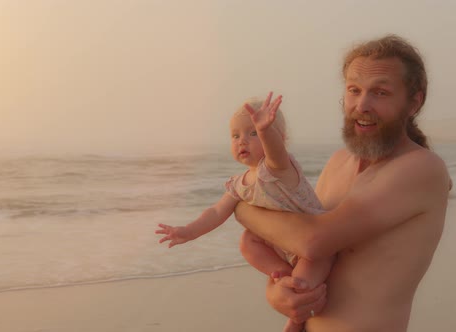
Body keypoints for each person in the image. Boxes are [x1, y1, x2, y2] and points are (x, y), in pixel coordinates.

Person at [235, 34, 452, 331]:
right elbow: (302, 257)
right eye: (354, 90)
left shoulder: (421, 168)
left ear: (414, 102)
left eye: (381, 93)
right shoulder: (339, 162)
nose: (362, 105)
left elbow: (313, 241)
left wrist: (239, 206)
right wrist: (278, 293)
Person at [155, 92, 334, 332]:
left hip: (314, 247)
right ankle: (281, 274)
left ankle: (296, 318)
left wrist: (265, 131)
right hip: (283, 246)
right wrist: (188, 232)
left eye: (252, 133)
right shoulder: (238, 184)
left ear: (279, 138)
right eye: (235, 135)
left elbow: (275, 152)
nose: (242, 141)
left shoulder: (278, 169)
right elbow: (216, 212)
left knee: (303, 282)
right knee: (247, 241)